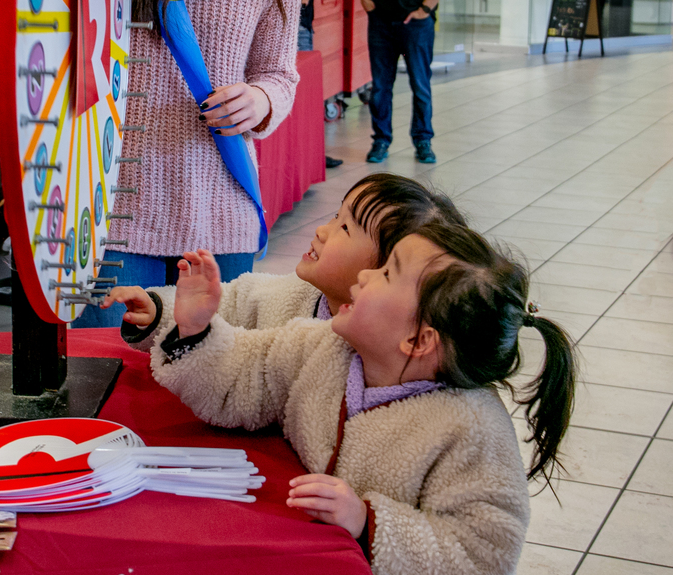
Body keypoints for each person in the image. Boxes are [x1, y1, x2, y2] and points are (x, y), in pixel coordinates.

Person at [150, 222, 577, 575]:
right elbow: (247, 375)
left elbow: (481, 555)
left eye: (387, 273)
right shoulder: (325, 348)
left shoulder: (472, 429)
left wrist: (367, 521)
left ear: (417, 340)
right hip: (317, 570)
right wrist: (196, 330)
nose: (366, 274)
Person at [73, 0, 301, 328]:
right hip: (113, 207)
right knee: (109, 368)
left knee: (213, 367)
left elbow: (278, 74)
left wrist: (261, 99)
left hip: (222, 206)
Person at [98, 174, 466, 351]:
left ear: (386, 268)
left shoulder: (383, 353)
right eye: (335, 216)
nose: (322, 230)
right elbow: (231, 303)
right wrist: (162, 312)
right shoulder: (290, 295)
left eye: (345, 228)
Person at [361, 0, 439, 164]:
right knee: (380, 87)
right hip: (380, 21)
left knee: (420, 85)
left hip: (417, 23)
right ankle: (381, 140)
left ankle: (423, 140)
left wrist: (424, 10)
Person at [298, 0, 343, 169]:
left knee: (305, 98)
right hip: (285, 23)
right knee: (297, 98)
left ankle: (312, 156)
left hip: (302, 21)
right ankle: (307, 157)